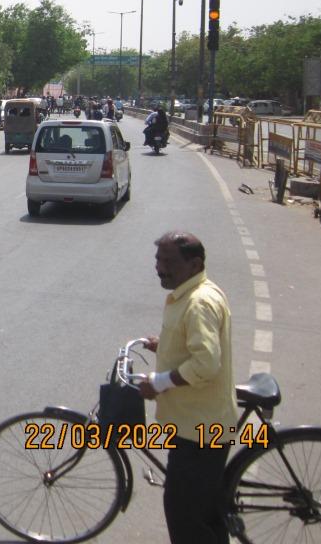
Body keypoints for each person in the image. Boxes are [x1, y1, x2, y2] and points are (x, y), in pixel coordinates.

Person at [137, 232, 238, 544]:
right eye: (158, 260)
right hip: (195, 425)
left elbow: (205, 365)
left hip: (200, 431)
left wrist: (159, 382)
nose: (160, 268)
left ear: (194, 265)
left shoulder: (198, 303)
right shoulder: (191, 293)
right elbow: (194, 345)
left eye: (169, 262)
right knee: (203, 512)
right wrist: (165, 344)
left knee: (186, 517)